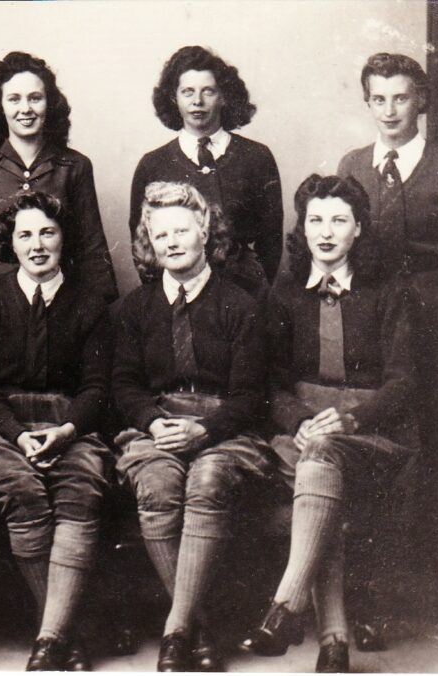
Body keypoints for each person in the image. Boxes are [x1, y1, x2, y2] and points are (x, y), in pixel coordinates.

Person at [239, 175, 416, 673]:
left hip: (373, 435)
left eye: (339, 220)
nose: (326, 231)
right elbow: (271, 383)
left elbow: (404, 383)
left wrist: (352, 417)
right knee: (320, 478)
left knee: (321, 469)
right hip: (307, 437)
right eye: (315, 219)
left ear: (359, 228)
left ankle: (288, 607)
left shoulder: (388, 291)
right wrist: (299, 420)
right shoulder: (286, 292)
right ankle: (333, 642)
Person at [336, 52, 438, 628]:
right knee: (383, 455)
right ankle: (372, 604)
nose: (390, 109)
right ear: (367, 103)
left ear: (420, 101)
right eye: (379, 98)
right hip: (377, 332)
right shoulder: (354, 165)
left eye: (401, 97)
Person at [113, 181, 271, 672]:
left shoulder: (240, 304)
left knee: (206, 482)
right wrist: (153, 422)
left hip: (222, 430)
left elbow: (250, 395)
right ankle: (198, 628)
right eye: (161, 236)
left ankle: (175, 630)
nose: (172, 243)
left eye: (182, 230)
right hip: (158, 427)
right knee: (157, 486)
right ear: (148, 242)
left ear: (205, 230)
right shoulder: (134, 309)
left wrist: (204, 431)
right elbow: (123, 384)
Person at [0, 191, 112, 671]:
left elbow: (96, 389)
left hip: (71, 422)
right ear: (11, 242)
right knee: (21, 489)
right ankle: (72, 631)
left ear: (63, 237)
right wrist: (17, 434)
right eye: (24, 234)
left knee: (80, 491)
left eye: (47, 232)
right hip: (4, 426)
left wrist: (67, 431)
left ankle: (49, 638)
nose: (37, 244)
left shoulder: (90, 302)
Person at [0, 51, 118, 317]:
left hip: (62, 302)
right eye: (14, 99)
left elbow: (92, 253)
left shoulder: (75, 166)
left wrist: (93, 314)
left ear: (50, 104)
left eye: (35, 98)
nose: (26, 109)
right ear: (0, 106)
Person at [129, 45, 282, 299]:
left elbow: (271, 241)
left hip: (245, 297)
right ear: (173, 98)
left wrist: (251, 297)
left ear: (224, 96)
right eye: (187, 92)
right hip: (179, 300)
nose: (197, 101)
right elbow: (143, 246)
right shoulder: (152, 165)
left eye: (208, 91)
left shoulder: (256, 157)